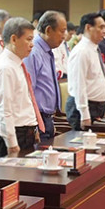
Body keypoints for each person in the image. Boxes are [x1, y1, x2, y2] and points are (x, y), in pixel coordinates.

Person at [0, 17, 42, 156]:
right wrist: (12, 144)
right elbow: (4, 110)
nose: (32, 44)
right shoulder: (5, 67)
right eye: (29, 39)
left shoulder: (17, 63)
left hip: (24, 132)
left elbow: (24, 101)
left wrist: (34, 129)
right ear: (13, 39)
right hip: (12, 135)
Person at [24, 11, 66, 142]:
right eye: (62, 31)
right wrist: (35, 126)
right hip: (38, 120)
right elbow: (29, 92)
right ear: (48, 30)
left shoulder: (47, 51)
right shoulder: (34, 52)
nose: (64, 36)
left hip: (48, 118)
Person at [65, 12, 105, 130]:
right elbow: (79, 85)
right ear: (88, 27)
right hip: (85, 108)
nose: (104, 31)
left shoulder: (94, 49)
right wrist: (84, 114)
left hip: (97, 107)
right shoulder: (82, 51)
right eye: (101, 27)